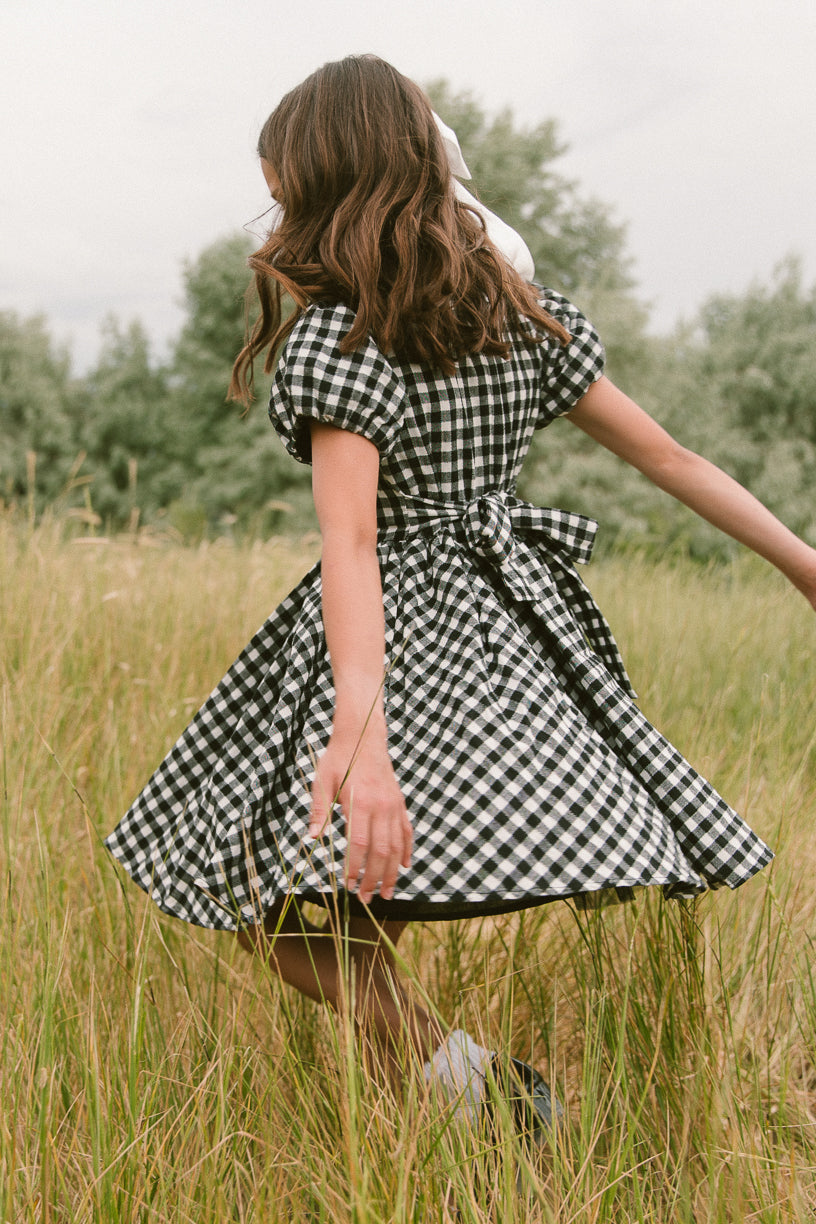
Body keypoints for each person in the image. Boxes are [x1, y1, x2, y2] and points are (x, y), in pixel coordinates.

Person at [105, 55, 816, 1132]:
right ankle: (493, 1101)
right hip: (506, 629)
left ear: (336, 185)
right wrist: (801, 561)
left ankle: (489, 1097)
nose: (280, 214)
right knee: (342, 908)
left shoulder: (348, 346)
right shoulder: (520, 316)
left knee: (258, 888)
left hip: (395, 642)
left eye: (289, 189)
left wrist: (363, 739)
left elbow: (352, 547)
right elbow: (674, 459)